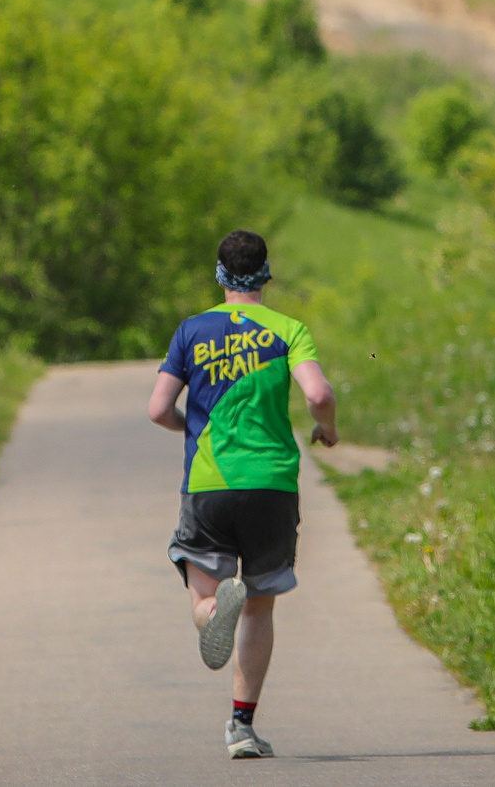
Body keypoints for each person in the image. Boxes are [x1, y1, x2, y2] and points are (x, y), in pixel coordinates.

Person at [148, 229, 338, 761]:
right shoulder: (288, 329)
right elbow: (318, 392)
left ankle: (213, 612)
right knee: (260, 607)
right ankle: (242, 728)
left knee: (205, 597)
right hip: (272, 484)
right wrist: (327, 428)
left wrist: (191, 428)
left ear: (219, 275)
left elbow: (158, 409)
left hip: (210, 482)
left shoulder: (191, 331)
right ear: (266, 275)